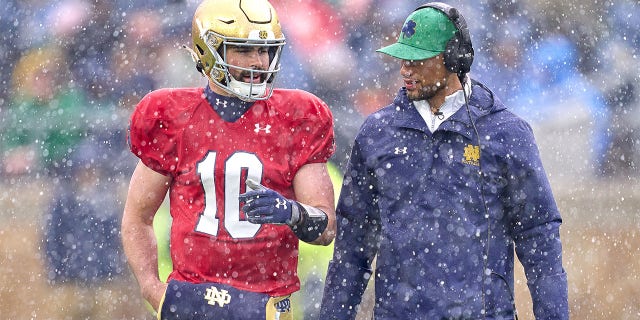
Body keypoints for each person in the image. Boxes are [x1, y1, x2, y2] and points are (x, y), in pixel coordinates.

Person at [320, 3, 568, 319]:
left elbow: (540, 238)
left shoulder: (506, 133)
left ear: (453, 60)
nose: (405, 69)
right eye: (402, 59)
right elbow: (352, 248)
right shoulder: (376, 133)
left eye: (417, 60)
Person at [121, 0, 337, 319]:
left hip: (266, 301)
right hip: (191, 296)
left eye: (265, 50)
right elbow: (138, 218)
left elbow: (326, 228)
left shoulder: (299, 116)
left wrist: (293, 213)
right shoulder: (171, 115)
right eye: (245, 50)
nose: (260, 62)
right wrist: (152, 290)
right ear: (209, 52)